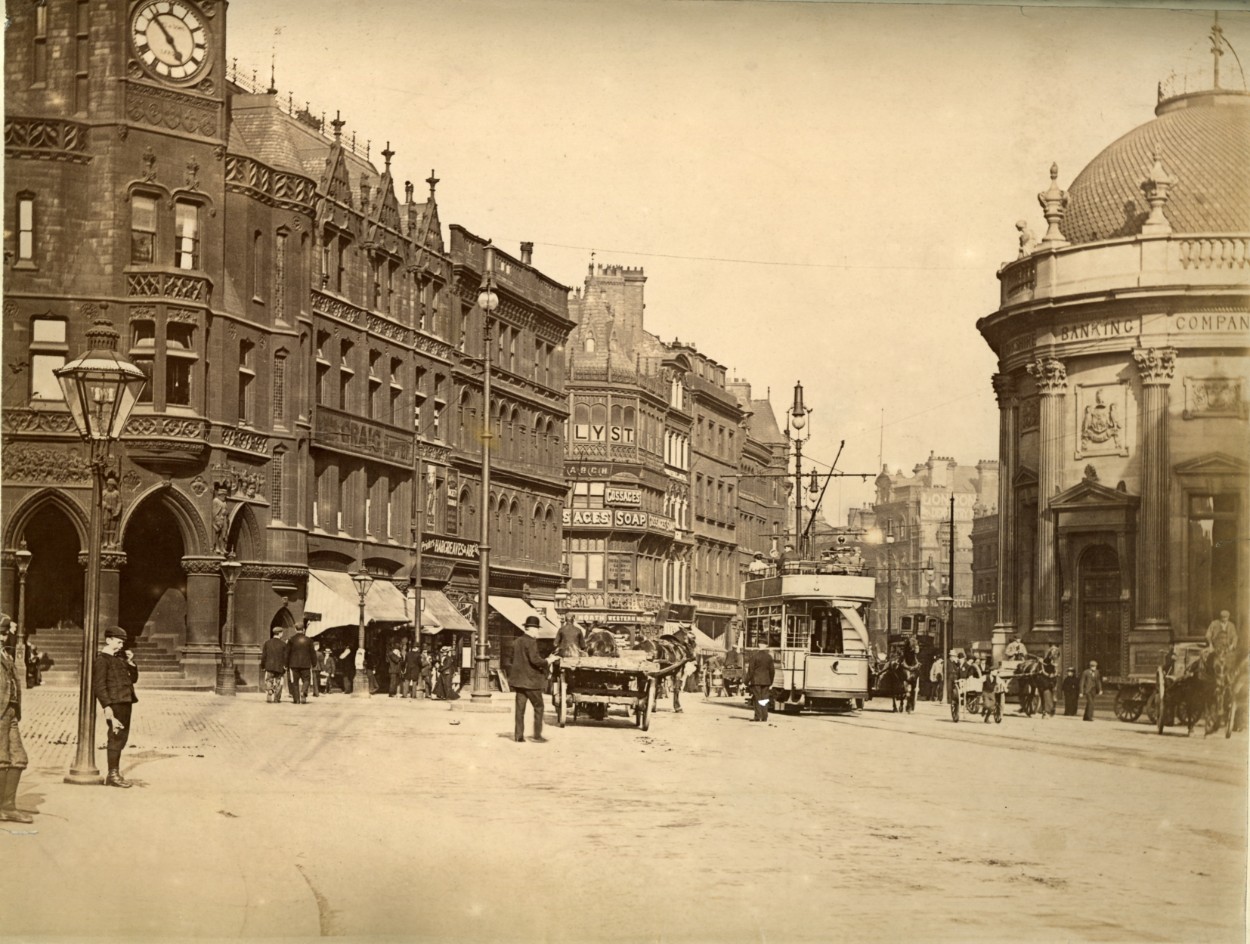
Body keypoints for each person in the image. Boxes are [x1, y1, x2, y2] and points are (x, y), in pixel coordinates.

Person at [94, 627, 139, 788]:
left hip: (126, 702)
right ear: (109, 640)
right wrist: (107, 707)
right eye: (119, 642)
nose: (121, 645)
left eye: (122, 642)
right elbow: (99, 686)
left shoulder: (119, 659)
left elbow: (133, 679)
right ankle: (112, 774)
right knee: (116, 737)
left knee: (122, 738)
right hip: (115, 704)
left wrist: (130, 662)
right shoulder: (102, 660)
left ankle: (114, 773)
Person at [0, 616, 32, 822]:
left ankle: (8, 806)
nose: (4, 636)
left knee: (18, 757)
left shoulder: (5, 654)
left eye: (4, 633)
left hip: (10, 711)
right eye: (1, 633)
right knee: (1, 759)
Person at [507, 616, 557, 742]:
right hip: (532, 682)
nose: (538, 632)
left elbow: (511, 659)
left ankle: (519, 736)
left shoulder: (517, 641)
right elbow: (535, 660)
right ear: (532, 629)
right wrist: (548, 661)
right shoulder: (531, 642)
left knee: (520, 710)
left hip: (519, 682)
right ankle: (537, 735)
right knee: (539, 707)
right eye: (537, 630)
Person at [286, 623, 316, 704]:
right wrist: (314, 663)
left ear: (295, 629)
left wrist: (286, 664)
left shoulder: (291, 640)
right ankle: (303, 691)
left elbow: (287, 653)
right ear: (304, 629)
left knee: (294, 682)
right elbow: (313, 653)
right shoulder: (309, 640)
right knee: (306, 680)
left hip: (293, 665)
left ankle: (296, 700)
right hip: (306, 665)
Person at [746, 641, 775, 723]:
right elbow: (772, 671)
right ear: (766, 646)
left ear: (758, 646)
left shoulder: (754, 656)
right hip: (766, 681)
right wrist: (771, 681)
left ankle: (758, 717)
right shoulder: (769, 657)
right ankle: (764, 717)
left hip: (756, 681)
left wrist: (746, 682)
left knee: (757, 698)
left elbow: (750, 671)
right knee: (764, 699)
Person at [261, 627, 287, 703]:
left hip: (269, 666)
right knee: (279, 682)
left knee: (269, 680)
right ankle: (277, 698)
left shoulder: (267, 643)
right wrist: (285, 665)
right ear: (279, 633)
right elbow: (285, 656)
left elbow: (264, 656)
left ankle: (270, 690)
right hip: (279, 667)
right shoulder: (283, 644)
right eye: (282, 633)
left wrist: (263, 665)